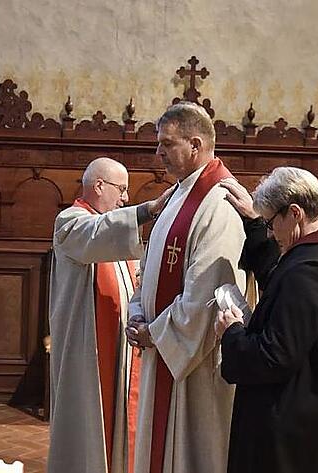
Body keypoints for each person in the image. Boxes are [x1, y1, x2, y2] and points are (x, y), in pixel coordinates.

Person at [126, 102, 245, 473]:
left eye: (167, 144)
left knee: (192, 454)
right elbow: (148, 268)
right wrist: (137, 312)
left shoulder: (220, 204)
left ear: (195, 145)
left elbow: (207, 298)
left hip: (193, 364)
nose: (157, 153)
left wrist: (154, 334)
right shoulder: (178, 194)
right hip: (163, 346)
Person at [216, 167, 318, 473]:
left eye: (270, 223)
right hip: (315, 410)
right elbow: (281, 281)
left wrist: (232, 332)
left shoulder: (310, 271)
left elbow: (273, 356)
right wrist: (254, 222)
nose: (270, 233)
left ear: (294, 213)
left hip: (289, 426)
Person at [48, 157, 169, 473]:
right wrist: (146, 210)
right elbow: (97, 234)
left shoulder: (111, 231)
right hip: (88, 355)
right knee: (88, 438)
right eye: (122, 189)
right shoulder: (71, 222)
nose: (125, 198)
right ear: (99, 185)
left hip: (122, 354)